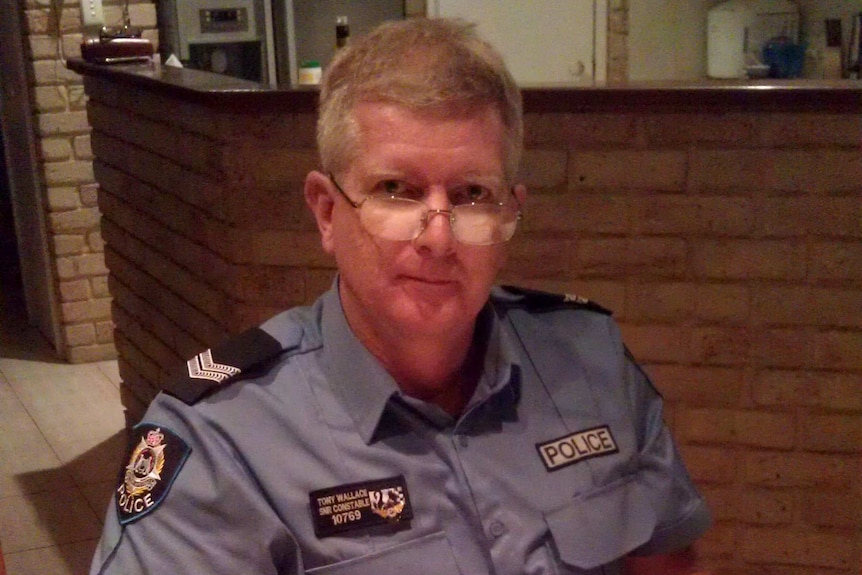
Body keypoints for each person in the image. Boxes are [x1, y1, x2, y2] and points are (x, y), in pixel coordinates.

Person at [90, 18, 712, 575]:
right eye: (396, 190)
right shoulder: (223, 443)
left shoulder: (589, 360)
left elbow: (665, 551)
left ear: (510, 215)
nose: (438, 239)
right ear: (328, 212)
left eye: (471, 195)